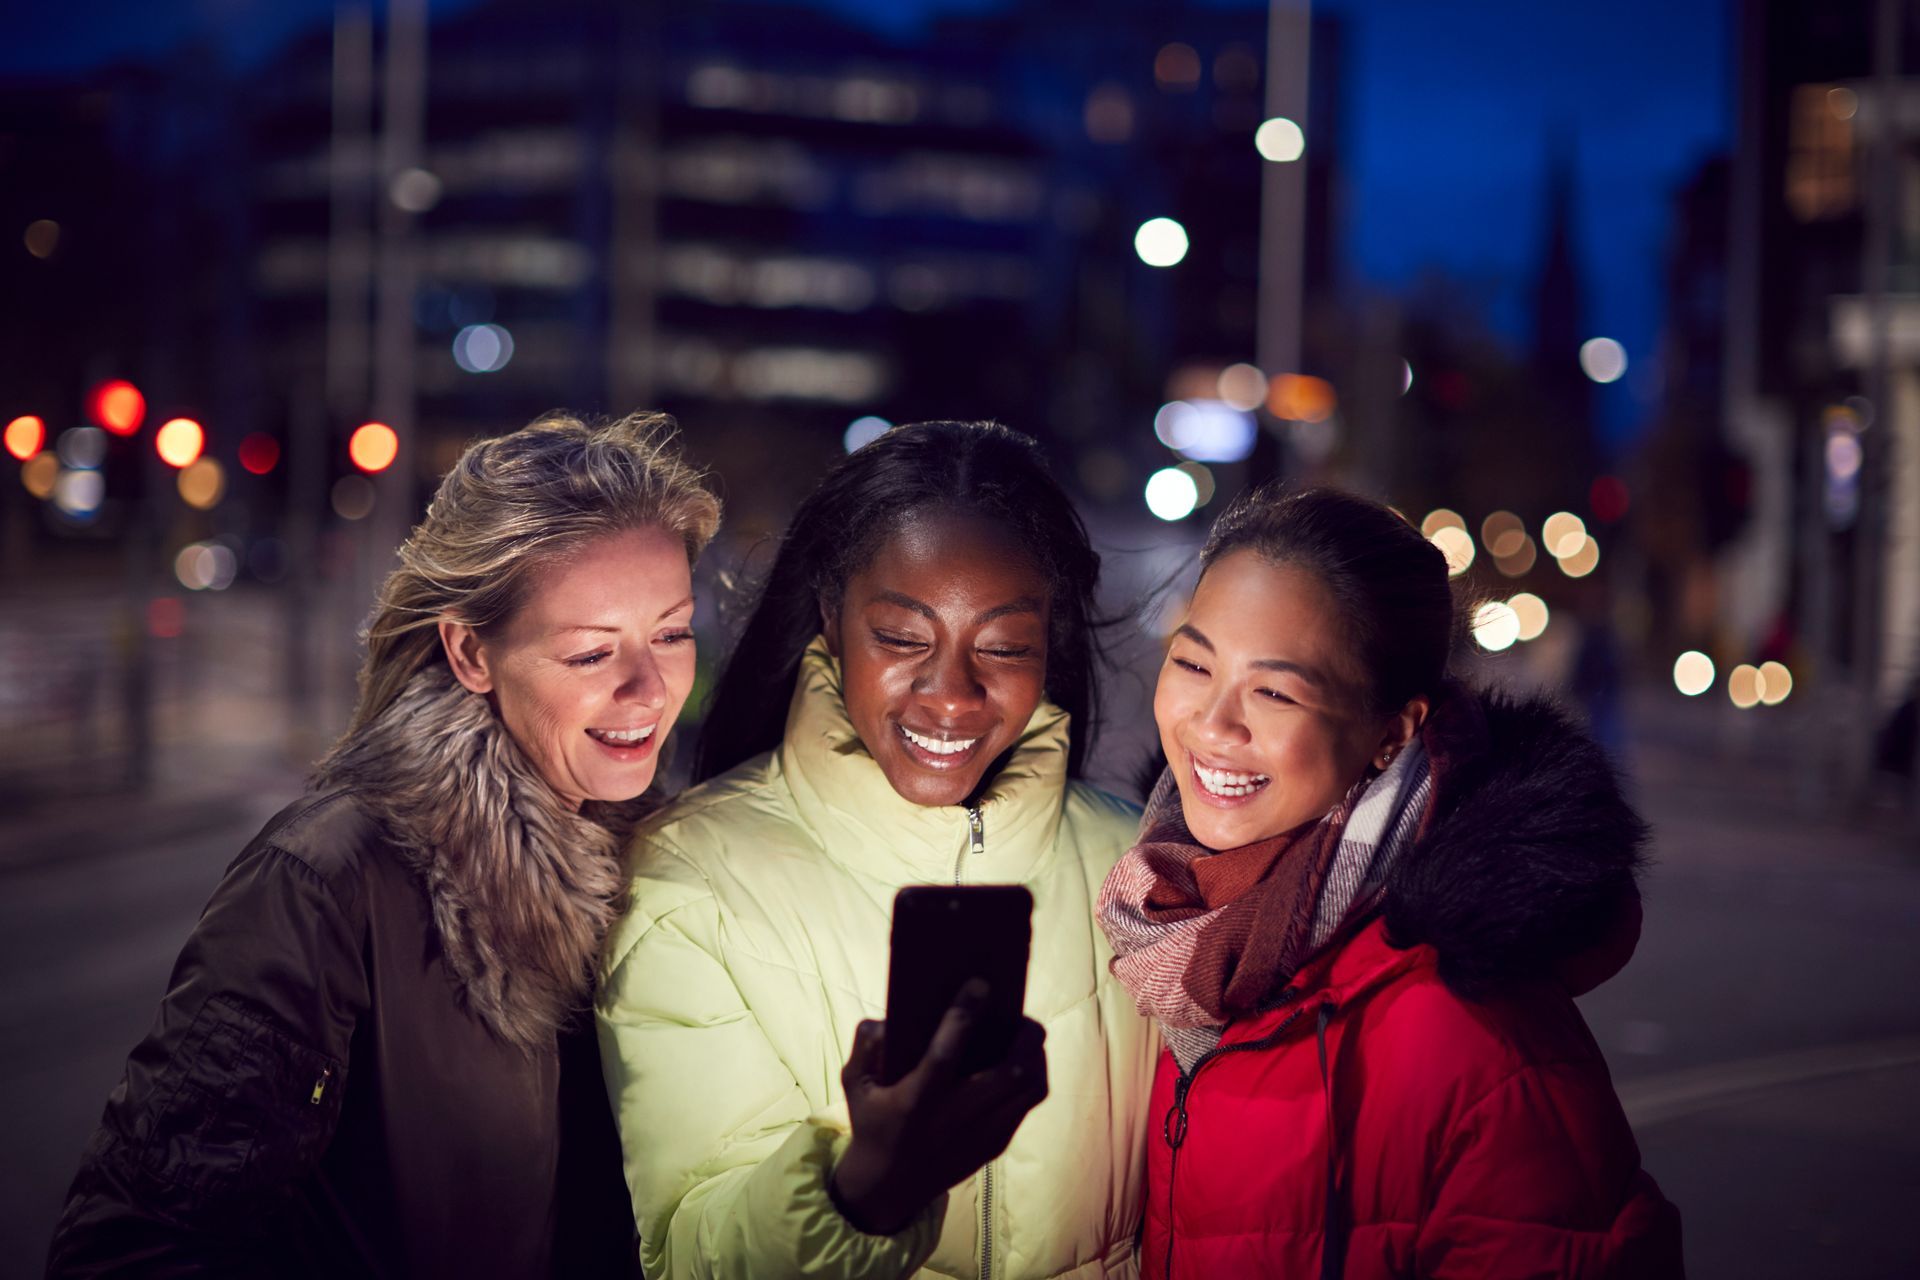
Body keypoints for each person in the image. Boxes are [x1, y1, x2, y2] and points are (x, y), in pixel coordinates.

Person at [47, 412, 720, 1278]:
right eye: (591, 653)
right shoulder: (328, 881)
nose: (649, 687)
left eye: (671, 633)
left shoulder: (673, 861)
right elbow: (134, 1247)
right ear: (471, 652)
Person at [597, 421, 1158, 1279]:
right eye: (901, 638)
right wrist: (864, 1192)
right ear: (831, 616)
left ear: (1051, 647)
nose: (951, 694)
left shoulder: (1142, 873)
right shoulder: (692, 876)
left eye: (1004, 647)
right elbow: (688, 1251)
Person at [1098, 485, 1684, 1279]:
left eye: (1275, 692)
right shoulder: (1169, 922)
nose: (1213, 724)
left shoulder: (1478, 1030)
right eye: (1194, 662)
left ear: (1391, 732)